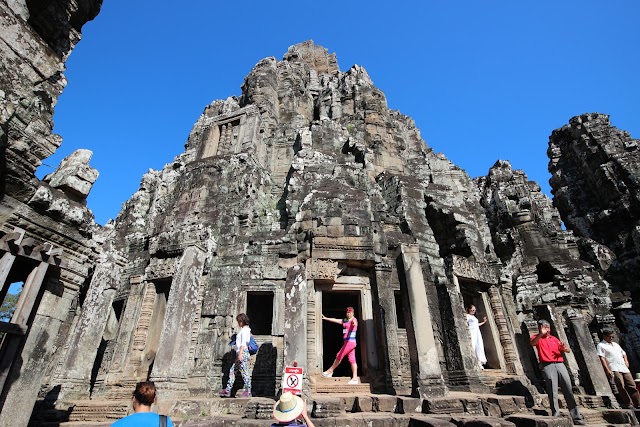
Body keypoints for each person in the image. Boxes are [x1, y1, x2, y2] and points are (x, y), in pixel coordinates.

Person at [531, 319, 586, 425]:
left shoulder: (554, 339)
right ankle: (555, 412)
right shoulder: (536, 338)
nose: (547, 329)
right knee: (552, 389)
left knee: (568, 388)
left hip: (560, 364)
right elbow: (533, 343)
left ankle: (576, 416)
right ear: (540, 328)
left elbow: (567, 350)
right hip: (547, 365)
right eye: (545, 327)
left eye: (548, 327)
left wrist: (564, 349)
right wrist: (540, 334)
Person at [597, 329, 640, 409]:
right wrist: (607, 370)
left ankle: (638, 403)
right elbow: (602, 358)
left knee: (632, 385)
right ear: (604, 336)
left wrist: (626, 361)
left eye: (612, 336)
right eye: (609, 337)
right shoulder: (601, 345)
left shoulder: (615, 344)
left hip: (623, 367)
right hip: (614, 367)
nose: (611, 338)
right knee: (621, 385)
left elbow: (624, 353)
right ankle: (628, 404)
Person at [321, 307, 359, 384]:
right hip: (347, 342)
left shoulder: (353, 320)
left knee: (339, 355)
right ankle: (355, 378)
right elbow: (336, 320)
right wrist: (325, 318)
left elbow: (355, 323)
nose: (348, 313)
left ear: (353, 313)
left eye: (350, 312)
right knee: (352, 359)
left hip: (350, 342)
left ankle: (330, 371)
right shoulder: (345, 320)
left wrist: (354, 324)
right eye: (347, 312)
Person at [220, 313, 252, 397]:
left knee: (244, 372)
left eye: (238, 321)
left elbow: (243, 343)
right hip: (241, 353)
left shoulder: (245, 330)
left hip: (243, 352)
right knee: (232, 371)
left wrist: (240, 354)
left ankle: (248, 391)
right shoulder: (245, 330)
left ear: (241, 321)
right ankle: (228, 389)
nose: (238, 323)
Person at [465, 304, 488, 369]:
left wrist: (484, 322)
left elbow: (476, 325)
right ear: (469, 309)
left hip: (477, 332)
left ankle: (479, 363)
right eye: (473, 309)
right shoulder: (467, 316)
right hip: (472, 332)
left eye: (474, 310)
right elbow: (465, 324)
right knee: (473, 345)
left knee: (479, 346)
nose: (474, 311)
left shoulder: (474, 317)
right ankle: (473, 363)